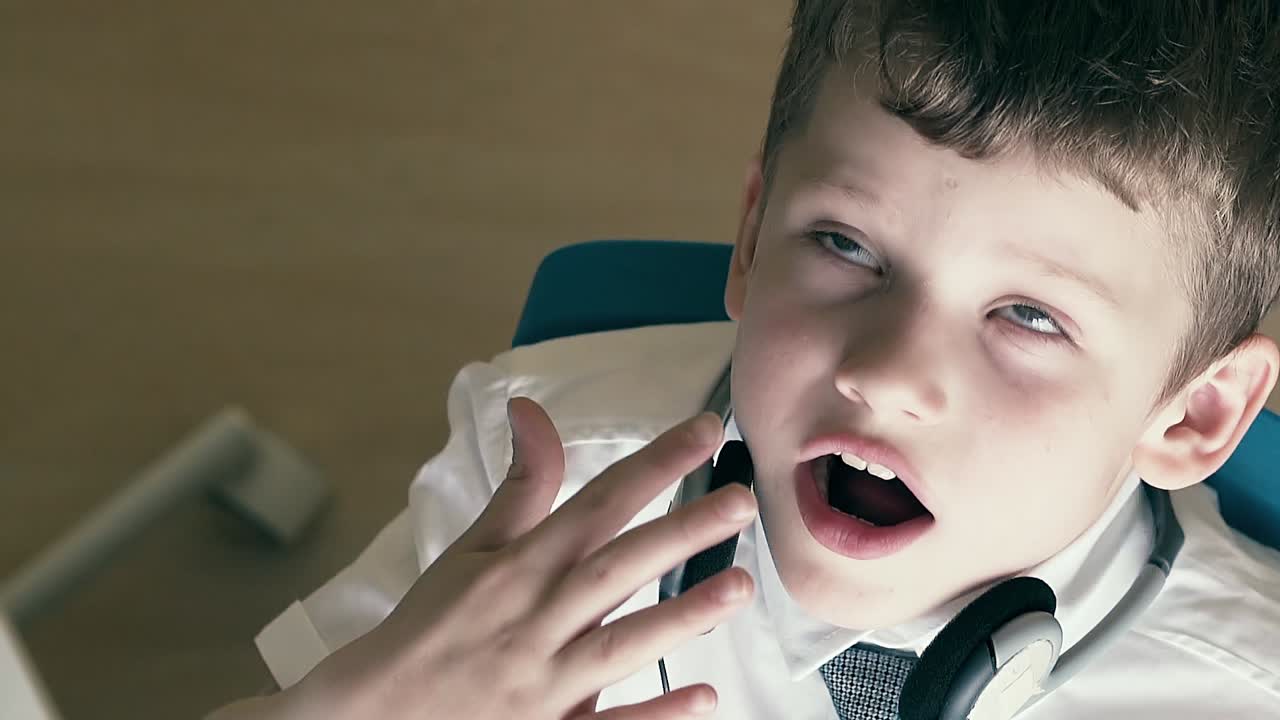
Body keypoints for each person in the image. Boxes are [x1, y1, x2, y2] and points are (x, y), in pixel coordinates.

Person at [211, 1, 1280, 718]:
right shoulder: (542, 488)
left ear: (1190, 417)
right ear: (751, 236)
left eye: (1029, 318)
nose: (887, 374)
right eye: (845, 245)